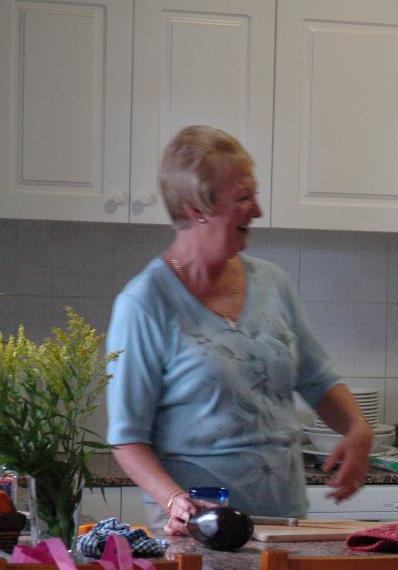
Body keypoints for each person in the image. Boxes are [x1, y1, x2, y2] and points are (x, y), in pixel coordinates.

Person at [107, 125, 373, 536]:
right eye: (243, 198)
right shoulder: (144, 304)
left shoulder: (273, 283)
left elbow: (318, 380)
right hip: (202, 531)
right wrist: (175, 502)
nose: (258, 211)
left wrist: (358, 429)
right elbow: (128, 440)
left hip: (285, 521)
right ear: (198, 209)